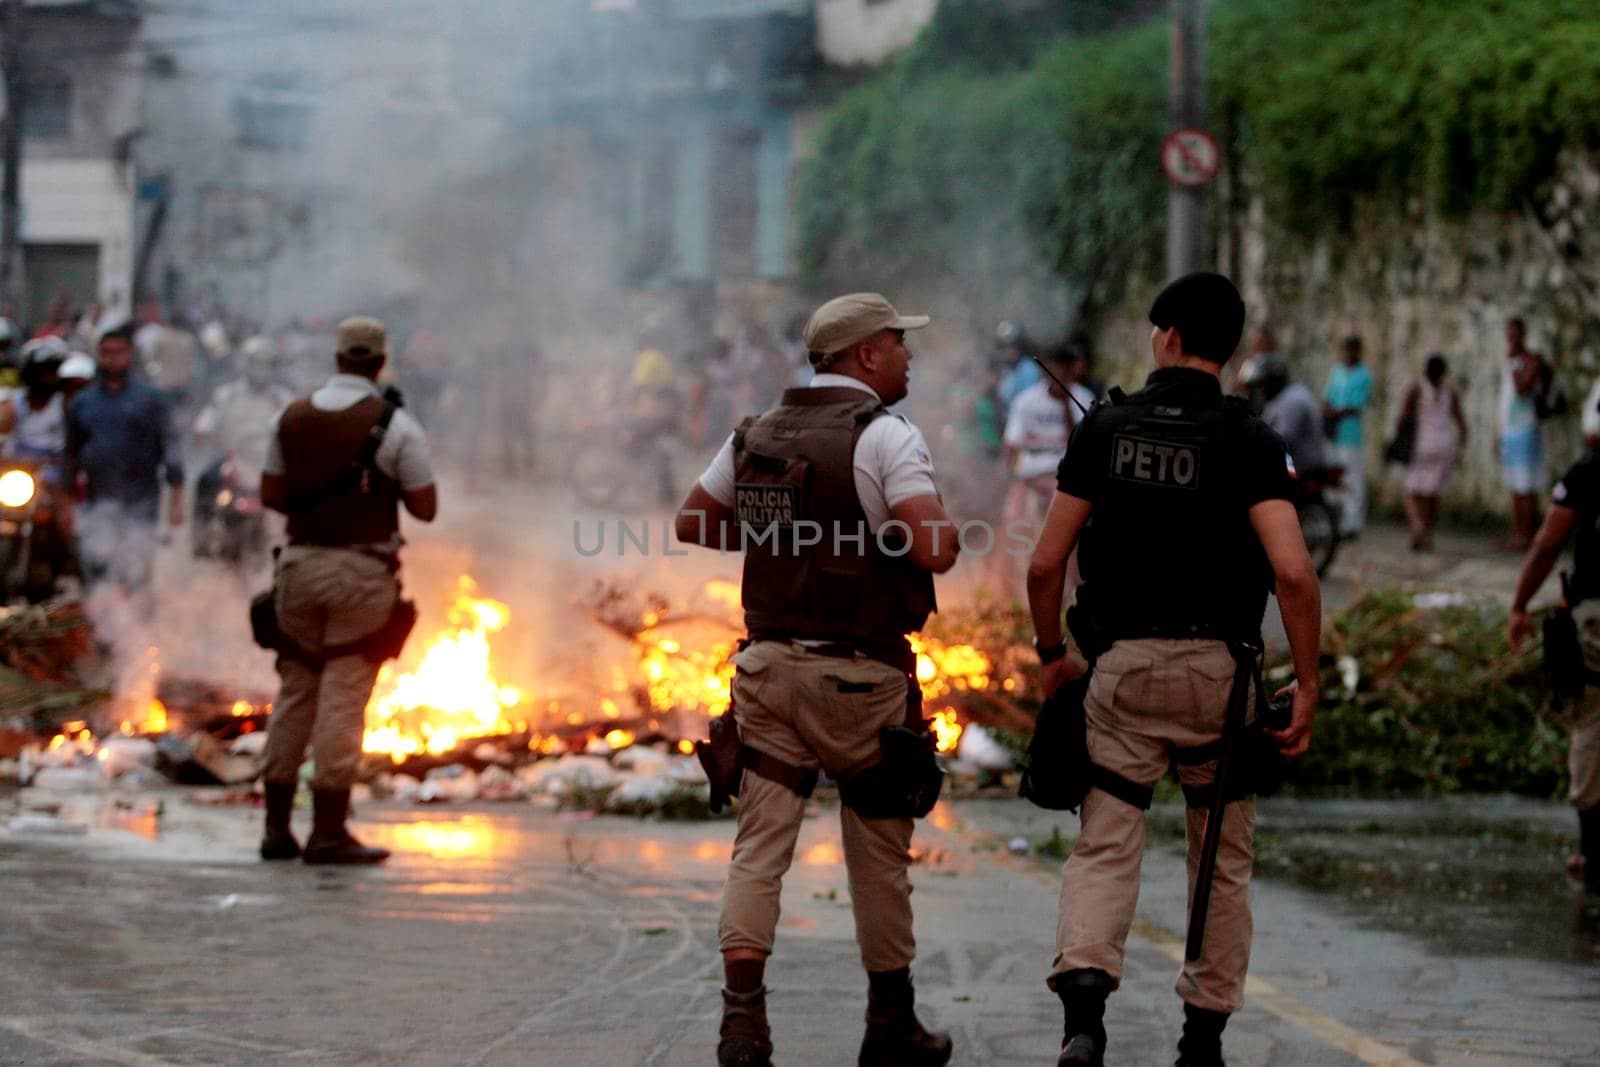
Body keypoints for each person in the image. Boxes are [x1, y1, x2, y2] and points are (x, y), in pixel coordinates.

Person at [1026, 273, 1322, 1067]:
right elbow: (1294, 575)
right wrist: (1310, 683)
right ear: (1226, 348)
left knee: (1106, 839)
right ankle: (1202, 1037)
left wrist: (1054, 658)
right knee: (1219, 853)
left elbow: (1045, 562)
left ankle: (1084, 1019)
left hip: (1120, 669)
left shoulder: (1106, 429)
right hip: (1221, 680)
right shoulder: (1251, 440)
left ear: (1165, 336)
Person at [675, 292, 959, 1067]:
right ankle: (889, 1023)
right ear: (865, 355)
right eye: (900, 344)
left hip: (765, 671)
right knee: (878, 850)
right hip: (858, 679)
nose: (909, 356)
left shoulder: (757, 432)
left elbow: (692, 521)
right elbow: (934, 548)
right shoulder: (885, 435)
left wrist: (785, 536)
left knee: (758, 848)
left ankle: (742, 1025)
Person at [257, 316, 437, 866]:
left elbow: (271, 494)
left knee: (295, 692)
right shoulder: (396, 425)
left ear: (337, 359)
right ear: (379, 364)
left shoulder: (290, 416)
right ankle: (328, 833)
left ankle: (276, 830)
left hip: (298, 567)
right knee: (342, 699)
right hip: (360, 575)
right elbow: (425, 507)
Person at [1508, 459, 1600, 906]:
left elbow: (1547, 545)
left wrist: (1521, 603)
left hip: (1596, 617)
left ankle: (1591, 848)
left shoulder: (1588, 472)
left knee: (1591, 721)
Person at [64, 320, 186, 615]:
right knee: (99, 567)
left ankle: (138, 637)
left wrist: (176, 502)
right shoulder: (83, 402)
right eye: (106, 352)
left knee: (136, 567)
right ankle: (105, 635)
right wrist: (66, 505)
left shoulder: (150, 399)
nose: (112, 359)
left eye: (118, 352)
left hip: (141, 498)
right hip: (98, 499)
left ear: (130, 355)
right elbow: (71, 456)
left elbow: (170, 449)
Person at [1003, 343, 1095, 598]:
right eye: (1053, 367)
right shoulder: (1026, 401)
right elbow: (1011, 444)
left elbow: (1083, 444)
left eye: (1064, 367)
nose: (1058, 373)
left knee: (1069, 532)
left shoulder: (1083, 399)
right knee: (1013, 522)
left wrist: (1066, 403)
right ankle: (1015, 592)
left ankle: (1072, 592)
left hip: (1066, 478)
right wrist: (1012, 474)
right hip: (1030, 474)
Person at [192, 336, 293, 547]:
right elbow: (205, 423)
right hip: (233, 460)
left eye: (266, 364)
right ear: (245, 364)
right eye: (255, 363)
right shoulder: (226, 395)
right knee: (204, 481)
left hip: (270, 465)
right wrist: (202, 433)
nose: (260, 369)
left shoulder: (283, 399)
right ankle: (200, 542)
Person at [1398, 354, 1467, 551]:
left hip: (1421, 445)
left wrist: (1399, 439)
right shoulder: (1449, 393)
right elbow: (1462, 424)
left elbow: (1403, 417)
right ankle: (1426, 535)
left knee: (1412, 491)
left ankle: (1417, 525)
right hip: (1443, 446)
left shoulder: (1417, 388)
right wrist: (1460, 448)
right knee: (1432, 494)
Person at [1500, 317, 1548, 550]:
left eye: (1515, 334)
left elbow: (1521, 390)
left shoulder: (1531, 361)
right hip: (1510, 431)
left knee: (1526, 486)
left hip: (1527, 430)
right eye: (1508, 334)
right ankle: (1517, 532)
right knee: (1514, 486)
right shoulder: (1512, 362)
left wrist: (1515, 365)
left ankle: (1529, 534)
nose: (1511, 338)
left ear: (1523, 334)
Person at [1323, 334, 1373, 536]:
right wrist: (1327, 411)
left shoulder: (1364, 375)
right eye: (1347, 348)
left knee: (1352, 478)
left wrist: (1335, 412)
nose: (1349, 353)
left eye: (1353, 349)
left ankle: (1353, 522)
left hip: (1350, 434)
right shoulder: (1337, 372)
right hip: (1333, 433)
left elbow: (1357, 405)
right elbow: (1327, 397)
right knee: (1334, 478)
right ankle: (1336, 519)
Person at [1252, 355, 1328, 476]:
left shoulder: (1292, 400)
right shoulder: (1284, 396)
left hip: (1305, 472)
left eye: (1263, 384)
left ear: (1273, 380)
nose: (1261, 390)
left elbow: (1282, 439)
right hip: (1298, 468)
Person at [0, 337, 70, 462]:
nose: (46, 379)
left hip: (52, 467)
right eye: (41, 372)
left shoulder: (64, 403)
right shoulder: (13, 402)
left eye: (51, 372)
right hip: (16, 468)